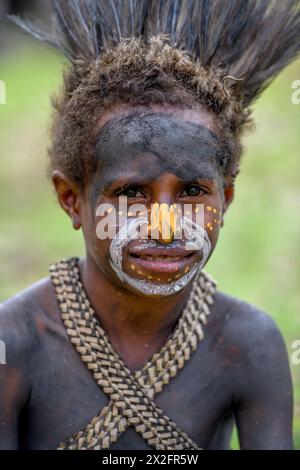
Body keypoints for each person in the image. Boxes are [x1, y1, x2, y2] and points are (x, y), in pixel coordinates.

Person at [0, 0, 299, 450]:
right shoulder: (16, 342)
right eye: (131, 194)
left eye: (193, 193)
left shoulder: (248, 342)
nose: (164, 227)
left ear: (227, 197)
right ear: (72, 199)